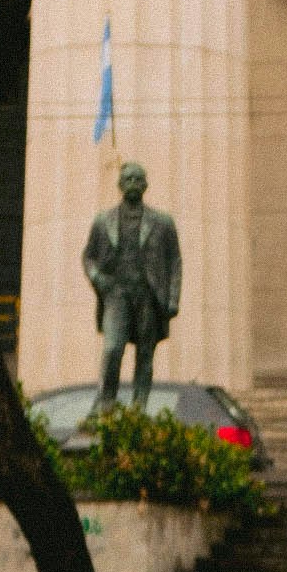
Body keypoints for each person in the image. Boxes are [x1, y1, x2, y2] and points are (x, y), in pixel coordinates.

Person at [80, 161, 182, 409]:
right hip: (116, 293)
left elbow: (175, 261)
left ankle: (139, 408)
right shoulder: (103, 221)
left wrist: (173, 299)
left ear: (146, 185)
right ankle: (106, 402)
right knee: (113, 348)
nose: (133, 184)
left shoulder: (162, 222)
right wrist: (97, 277)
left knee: (145, 355)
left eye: (138, 179)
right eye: (128, 179)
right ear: (120, 185)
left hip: (148, 294)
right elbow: (88, 256)